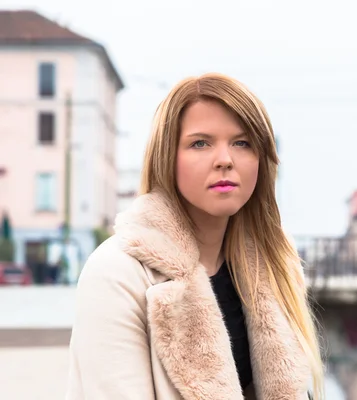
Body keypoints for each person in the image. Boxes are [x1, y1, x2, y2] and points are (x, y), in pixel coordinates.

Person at [66, 73, 324, 399]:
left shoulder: (275, 267)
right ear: (167, 157)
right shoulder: (116, 273)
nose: (225, 160)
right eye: (200, 143)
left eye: (242, 143)